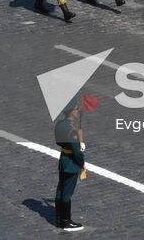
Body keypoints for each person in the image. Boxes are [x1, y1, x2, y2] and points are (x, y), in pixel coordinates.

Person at [53, 98, 86, 231]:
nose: (78, 111)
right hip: (71, 163)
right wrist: (81, 156)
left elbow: (58, 142)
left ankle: (59, 217)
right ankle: (66, 221)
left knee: (60, 190)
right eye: (76, 109)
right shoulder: (71, 130)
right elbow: (76, 152)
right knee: (67, 192)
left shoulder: (60, 125)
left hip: (63, 160)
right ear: (71, 112)